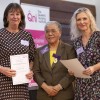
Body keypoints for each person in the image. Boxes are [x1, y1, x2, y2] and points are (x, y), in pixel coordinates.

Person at [0, 3, 36, 100]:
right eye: (11, 14)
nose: (15, 17)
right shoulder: (1, 34)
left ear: (21, 17)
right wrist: (2, 69)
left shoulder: (27, 36)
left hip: (21, 84)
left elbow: (32, 58)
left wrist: (30, 70)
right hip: (3, 83)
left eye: (17, 14)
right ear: (6, 17)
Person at [33, 21, 76, 100]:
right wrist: (46, 87)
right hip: (44, 95)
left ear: (60, 33)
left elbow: (72, 73)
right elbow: (35, 72)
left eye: (53, 31)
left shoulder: (69, 49)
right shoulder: (39, 51)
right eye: (47, 31)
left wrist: (58, 87)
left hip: (64, 95)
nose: (50, 34)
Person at [70, 7, 100, 100]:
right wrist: (72, 70)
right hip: (81, 86)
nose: (82, 22)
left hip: (97, 85)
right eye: (78, 19)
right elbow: (76, 62)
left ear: (90, 20)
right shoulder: (76, 42)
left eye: (84, 18)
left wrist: (93, 68)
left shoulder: (98, 36)